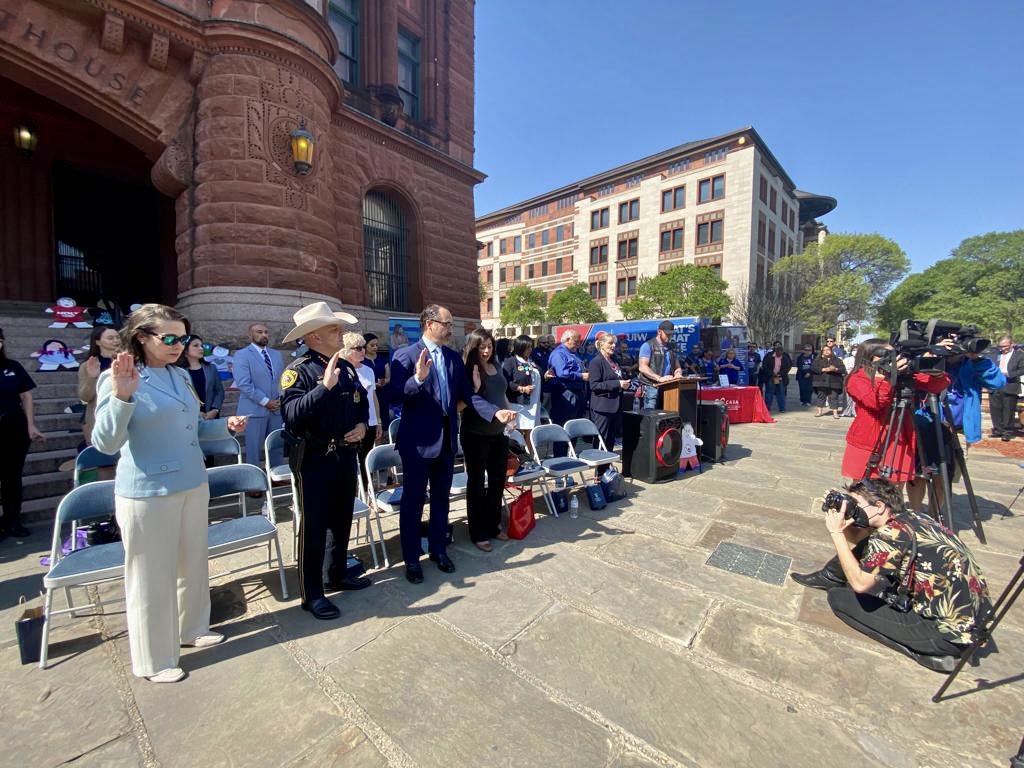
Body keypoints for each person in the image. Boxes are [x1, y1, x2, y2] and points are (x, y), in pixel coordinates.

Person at [91, 304, 247, 682]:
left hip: (191, 482)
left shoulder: (179, 375)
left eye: (183, 337)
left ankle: (192, 628)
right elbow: (105, 442)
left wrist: (226, 426)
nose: (179, 345)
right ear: (142, 338)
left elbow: (193, 428)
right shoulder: (122, 376)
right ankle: (154, 659)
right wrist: (122, 397)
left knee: (191, 563)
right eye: (170, 338)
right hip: (148, 492)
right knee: (150, 577)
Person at [790, 478, 987, 672]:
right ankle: (830, 576)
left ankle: (923, 654)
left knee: (839, 599)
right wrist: (845, 512)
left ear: (880, 506)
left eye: (856, 505)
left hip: (944, 635)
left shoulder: (890, 536)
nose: (853, 509)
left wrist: (836, 533)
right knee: (866, 551)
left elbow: (860, 584)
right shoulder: (913, 517)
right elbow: (859, 543)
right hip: (968, 618)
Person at [389, 305, 516, 584]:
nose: (450, 329)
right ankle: (412, 559)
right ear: (429, 323)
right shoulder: (405, 356)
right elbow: (396, 396)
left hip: (446, 441)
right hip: (418, 444)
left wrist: (495, 412)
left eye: (451, 324)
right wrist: (418, 379)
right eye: (446, 324)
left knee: (441, 501)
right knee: (412, 504)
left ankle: (438, 550)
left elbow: (468, 396)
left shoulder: (452, 358)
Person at [279, 302, 371, 621]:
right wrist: (323, 387)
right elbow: (291, 415)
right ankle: (312, 593)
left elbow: (359, 403)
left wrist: (361, 426)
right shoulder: (299, 370)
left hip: (344, 455)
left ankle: (337, 573)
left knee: (342, 518)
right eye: (334, 329)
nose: (341, 332)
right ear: (314, 337)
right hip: (314, 458)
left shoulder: (345, 366)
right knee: (315, 526)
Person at [840, 339, 949, 488]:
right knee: (864, 490)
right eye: (886, 354)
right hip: (868, 441)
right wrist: (887, 378)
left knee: (894, 490)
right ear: (870, 357)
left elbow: (936, 386)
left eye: (894, 353)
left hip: (899, 439)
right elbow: (874, 402)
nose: (892, 357)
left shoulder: (903, 375)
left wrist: (934, 367)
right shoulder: (857, 378)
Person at [461, 328, 512, 552]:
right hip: (476, 434)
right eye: (482, 347)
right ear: (474, 347)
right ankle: (478, 532)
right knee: (476, 484)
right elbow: (463, 403)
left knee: (498, 482)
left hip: (498, 433)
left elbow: (502, 394)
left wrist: (510, 415)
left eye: (490, 346)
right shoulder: (468, 369)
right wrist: (475, 387)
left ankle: (493, 524)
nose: (486, 351)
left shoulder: (497, 365)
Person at [0, 328, 44, 541]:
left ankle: (13, 521)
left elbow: (26, 397)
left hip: (14, 428)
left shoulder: (12, 367)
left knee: (12, 477)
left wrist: (31, 425)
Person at [233, 323, 285, 469]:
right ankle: (253, 482)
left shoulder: (276, 354)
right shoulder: (242, 355)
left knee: (276, 447)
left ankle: (278, 474)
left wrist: (280, 399)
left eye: (266, 332)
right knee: (253, 449)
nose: (264, 335)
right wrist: (265, 401)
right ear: (250, 335)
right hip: (254, 410)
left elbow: (281, 379)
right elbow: (244, 384)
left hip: (275, 409)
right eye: (259, 332)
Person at [588, 332, 630, 476]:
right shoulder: (596, 362)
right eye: (610, 343)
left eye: (614, 343)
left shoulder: (613, 361)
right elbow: (594, 385)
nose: (613, 346)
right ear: (601, 344)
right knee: (602, 439)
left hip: (615, 406)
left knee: (611, 440)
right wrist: (617, 383)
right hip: (602, 407)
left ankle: (606, 470)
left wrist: (624, 383)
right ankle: (599, 474)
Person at [340, 332, 382, 473]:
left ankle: (365, 492)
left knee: (365, 463)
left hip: (369, 422)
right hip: (350, 425)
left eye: (363, 347)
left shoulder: (368, 370)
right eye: (358, 348)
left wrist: (378, 421)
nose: (363, 351)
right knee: (349, 466)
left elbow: (373, 396)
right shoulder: (340, 372)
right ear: (346, 351)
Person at [78, 326, 122, 446]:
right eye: (110, 338)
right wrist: (93, 377)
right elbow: (85, 397)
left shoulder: (128, 360)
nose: (116, 341)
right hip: (99, 416)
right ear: (98, 342)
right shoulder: (88, 365)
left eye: (118, 337)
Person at [547, 329, 589, 434]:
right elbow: (562, 373)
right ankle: (561, 451)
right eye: (576, 341)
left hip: (577, 394)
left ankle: (571, 451)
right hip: (565, 395)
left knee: (574, 429)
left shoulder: (572, 353)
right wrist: (581, 376)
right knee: (564, 427)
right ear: (568, 339)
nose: (579, 344)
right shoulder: (559, 353)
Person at [637, 320, 683, 410]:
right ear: (659, 331)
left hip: (668, 387)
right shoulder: (648, 345)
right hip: (651, 387)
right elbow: (642, 367)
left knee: (665, 417)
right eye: (667, 334)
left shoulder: (671, 347)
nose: (669, 336)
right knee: (651, 416)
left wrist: (678, 373)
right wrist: (659, 378)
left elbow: (677, 367)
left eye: (671, 334)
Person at [176, 335, 225, 420]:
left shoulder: (211, 368)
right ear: (185, 349)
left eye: (201, 346)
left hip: (211, 416)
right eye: (196, 345)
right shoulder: (178, 371)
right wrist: (195, 411)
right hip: (188, 418)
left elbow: (219, 391)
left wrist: (215, 409)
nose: (201, 348)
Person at [502, 334, 541, 437]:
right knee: (516, 432)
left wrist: (545, 376)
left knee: (530, 432)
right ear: (520, 347)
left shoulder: (531, 361)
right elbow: (506, 382)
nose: (530, 349)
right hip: (518, 403)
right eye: (527, 347)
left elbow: (535, 376)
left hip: (533, 402)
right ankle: (518, 452)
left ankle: (530, 453)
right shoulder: (511, 361)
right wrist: (522, 388)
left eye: (531, 347)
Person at [990, 335, 1023, 441]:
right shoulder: (995, 354)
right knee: (995, 409)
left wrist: (1009, 374)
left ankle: (1007, 431)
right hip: (995, 385)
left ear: (1012, 344)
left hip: (1010, 384)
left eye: (1005, 346)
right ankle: (998, 429)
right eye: (1000, 346)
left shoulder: (1019, 356)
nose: (1002, 349)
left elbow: (1022, 369)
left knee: (1008, 410)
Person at [364, 333, 391, 431]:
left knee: (384, 415)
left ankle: (384, 437)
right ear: (365, 346)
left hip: (383, 392)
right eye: (372, 345)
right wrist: (374, 385)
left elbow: (388, 376)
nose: (375, 347)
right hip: (368, 393)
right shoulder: (361, 360)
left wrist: (385, 382)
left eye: (376, 345)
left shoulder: (382, 359)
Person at [812, 345, 847, 418]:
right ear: (822, 352)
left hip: (834, 381)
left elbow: (843, 369)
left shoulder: (837, 360)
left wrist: (835, 369)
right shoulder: (817, 360)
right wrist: (823, 369)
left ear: (831, 351)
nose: (826, 351)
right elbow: (813, 368)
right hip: (821, 381)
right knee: (821, 396)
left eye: (828, 350)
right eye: (824, 350)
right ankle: (819, 412)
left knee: (834, 397)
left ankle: (835, 413)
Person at [759, 342, 792, 413]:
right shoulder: (769, 356)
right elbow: (765, 366)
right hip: (770, 377)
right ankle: (767, 407)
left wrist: (780, 374)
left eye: (781, 352)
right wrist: (772, 373)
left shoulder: (785, 357)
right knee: (769, 392)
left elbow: (788, 367)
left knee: (781, 392)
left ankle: (782, 408)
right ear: (775, 351)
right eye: (777, 351)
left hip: (780, 377)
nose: (779, 353)